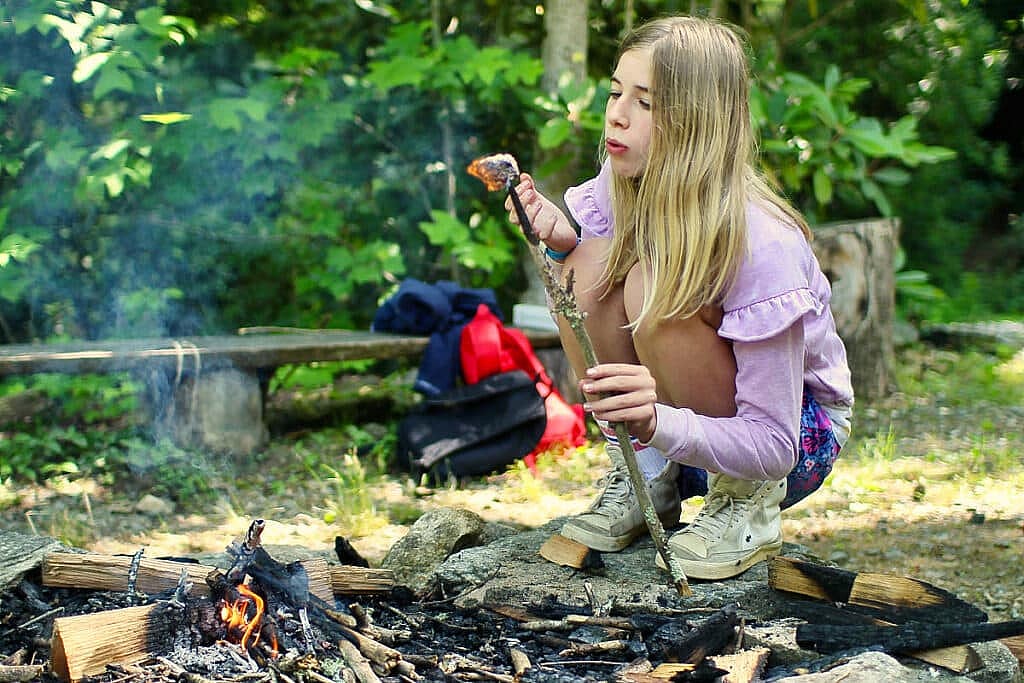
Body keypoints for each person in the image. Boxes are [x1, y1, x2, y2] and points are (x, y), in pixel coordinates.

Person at [505, 15, 854, 580]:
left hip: (788, 444)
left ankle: (746, 507)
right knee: (585, 266)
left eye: (645, 103)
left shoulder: (761, 243)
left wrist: (659, 422)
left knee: (656, 286)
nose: (616, 113)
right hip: (678, 432)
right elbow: (597, 278)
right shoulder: (626, 182)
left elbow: (774, 442)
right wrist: (559, 239)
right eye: (617, 92)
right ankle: (648, 477)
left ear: (696, 122)